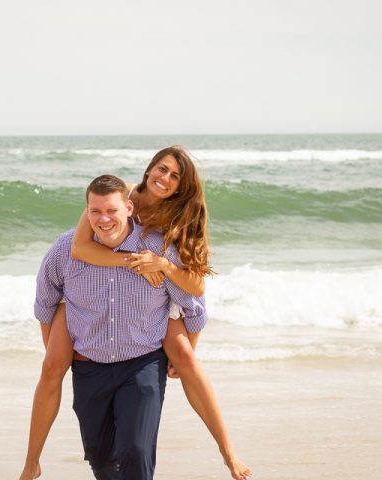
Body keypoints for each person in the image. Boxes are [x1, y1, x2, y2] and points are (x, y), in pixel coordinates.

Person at [20, 148, 251, 480]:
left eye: (175, 176)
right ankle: (31, 463)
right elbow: (73, 258)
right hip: (98, 329)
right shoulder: (114, 201)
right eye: (161, 169)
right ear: (149, 169)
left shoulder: (179, 221)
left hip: (155, 302)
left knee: (183, 360)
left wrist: (163, 265)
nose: (164, 179)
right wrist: (131, 259)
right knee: (55, 369)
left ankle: (228, 452)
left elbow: (195, 295)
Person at [34, 174, 206, 479]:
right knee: (100, 460)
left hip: (142, 364)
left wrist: (188, 349)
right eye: (95, 211)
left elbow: (192, 300)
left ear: (128, 208)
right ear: (86, 213)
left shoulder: (156, 250)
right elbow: (47, 301)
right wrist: (53, 351)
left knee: (136, 452)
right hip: (89, 368)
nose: (104, 219)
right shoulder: (65, 249)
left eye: (111, 210)